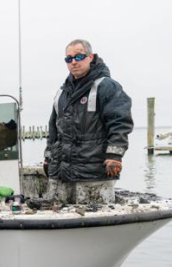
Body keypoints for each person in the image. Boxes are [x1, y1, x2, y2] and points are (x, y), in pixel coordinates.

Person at [44, 39, 133, 204]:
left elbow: (120, 122)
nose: (73, 62)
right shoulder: (62, 93)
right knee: (61, 214)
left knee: (96, 216)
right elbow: (53, 129)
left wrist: (115, 155)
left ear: (90, 57)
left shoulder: (107, 86)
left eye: (78, 57)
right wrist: (48, 157)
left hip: (93, 172)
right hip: (62, 172)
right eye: (68, 59)